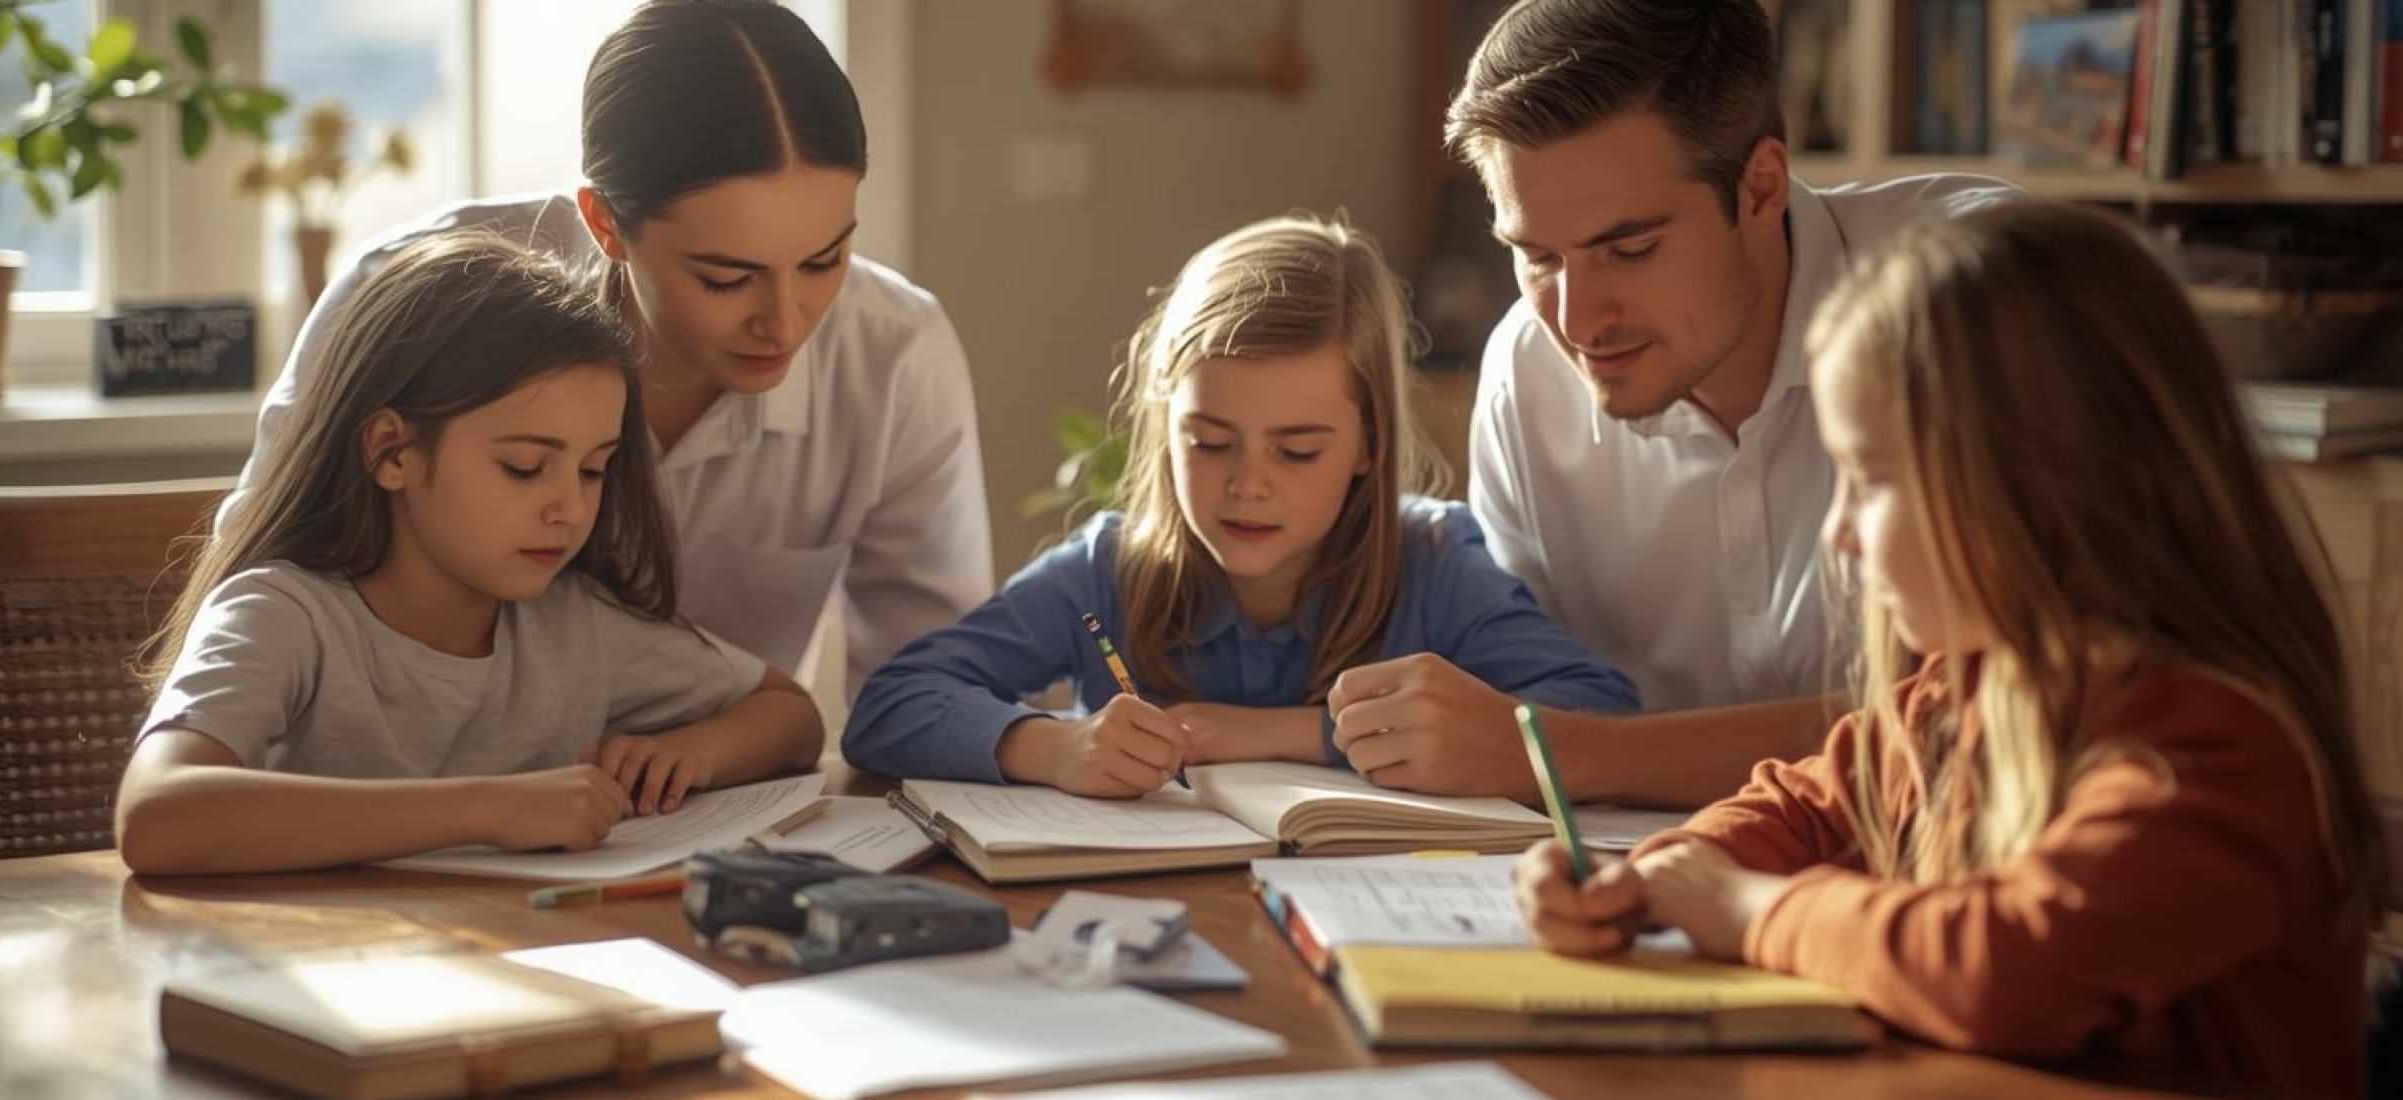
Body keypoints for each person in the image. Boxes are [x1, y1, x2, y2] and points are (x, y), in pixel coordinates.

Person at [1513, 203, 2380, 1097]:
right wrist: (1651, 880)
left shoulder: (2215, 755)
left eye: (1873, 481)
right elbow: (1802, 808)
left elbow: (2002, 968)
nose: (1839, 532)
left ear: (2044, 481)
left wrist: (1746, 910)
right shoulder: (1961, 695)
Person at [1329, 0, 2015, 806]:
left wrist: (1568, 755)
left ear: (1760, 187)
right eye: (1538, 257)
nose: (1578, 321)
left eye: (1631, 249)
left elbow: (1990, 719)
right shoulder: (1527, 367)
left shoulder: (1981, 297)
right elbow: (1527, 694)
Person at [228, 0, 989, 692]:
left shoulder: (895, 355)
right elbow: (260, 589)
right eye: (726, 277)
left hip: (715, 806)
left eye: (824, 262)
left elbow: (931, 682)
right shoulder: (405, 301)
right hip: (411, 803)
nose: (786, 324)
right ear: (606, 224)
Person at [843, 214, 1637, 796]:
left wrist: (1290, 732)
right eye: (1210, 441)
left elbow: (1602, 720)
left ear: (1369, 444)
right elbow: (889, 707)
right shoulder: (1108, 569)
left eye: (1297, 451)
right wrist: (1046, 747)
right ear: (1165, 424)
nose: (1248, 484)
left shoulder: (1432, 565)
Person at [118, 232, 824, 875]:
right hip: (306, 975)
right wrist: (490, 808)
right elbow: (156, 817)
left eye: (591, 469)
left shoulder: (575, 625)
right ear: (392, 451)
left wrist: (694, 752)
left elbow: (789, 716)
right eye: (523, 467)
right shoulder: (284, 615)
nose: (569, 509)